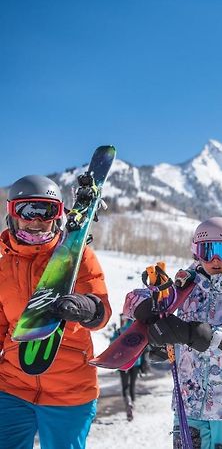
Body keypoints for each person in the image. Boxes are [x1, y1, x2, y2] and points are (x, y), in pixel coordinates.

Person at [127, 217, 222, 449]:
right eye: (207, 251)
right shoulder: (187, 283)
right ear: (196, 253)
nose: (215, 260)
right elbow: (142, 299)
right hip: (188, 400)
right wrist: (145, 309)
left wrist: (195, 334)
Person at [0, 175, 111, 449]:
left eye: (46, 211)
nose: (36, 220)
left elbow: (102, 311)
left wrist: (88, 308)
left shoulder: (77, 257)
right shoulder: (3, 268)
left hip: (70, 389)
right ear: (12, 213)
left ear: (58, 215)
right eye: (27, 210)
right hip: (12, 385)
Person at [110, 314, 148, 421]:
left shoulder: (120, 331)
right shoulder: (138, 329)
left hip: (123, 363)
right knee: (132, 385)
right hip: (136, 362)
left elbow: (112, 344)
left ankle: (128, 405)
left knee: (125, 386)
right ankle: (132, 404)